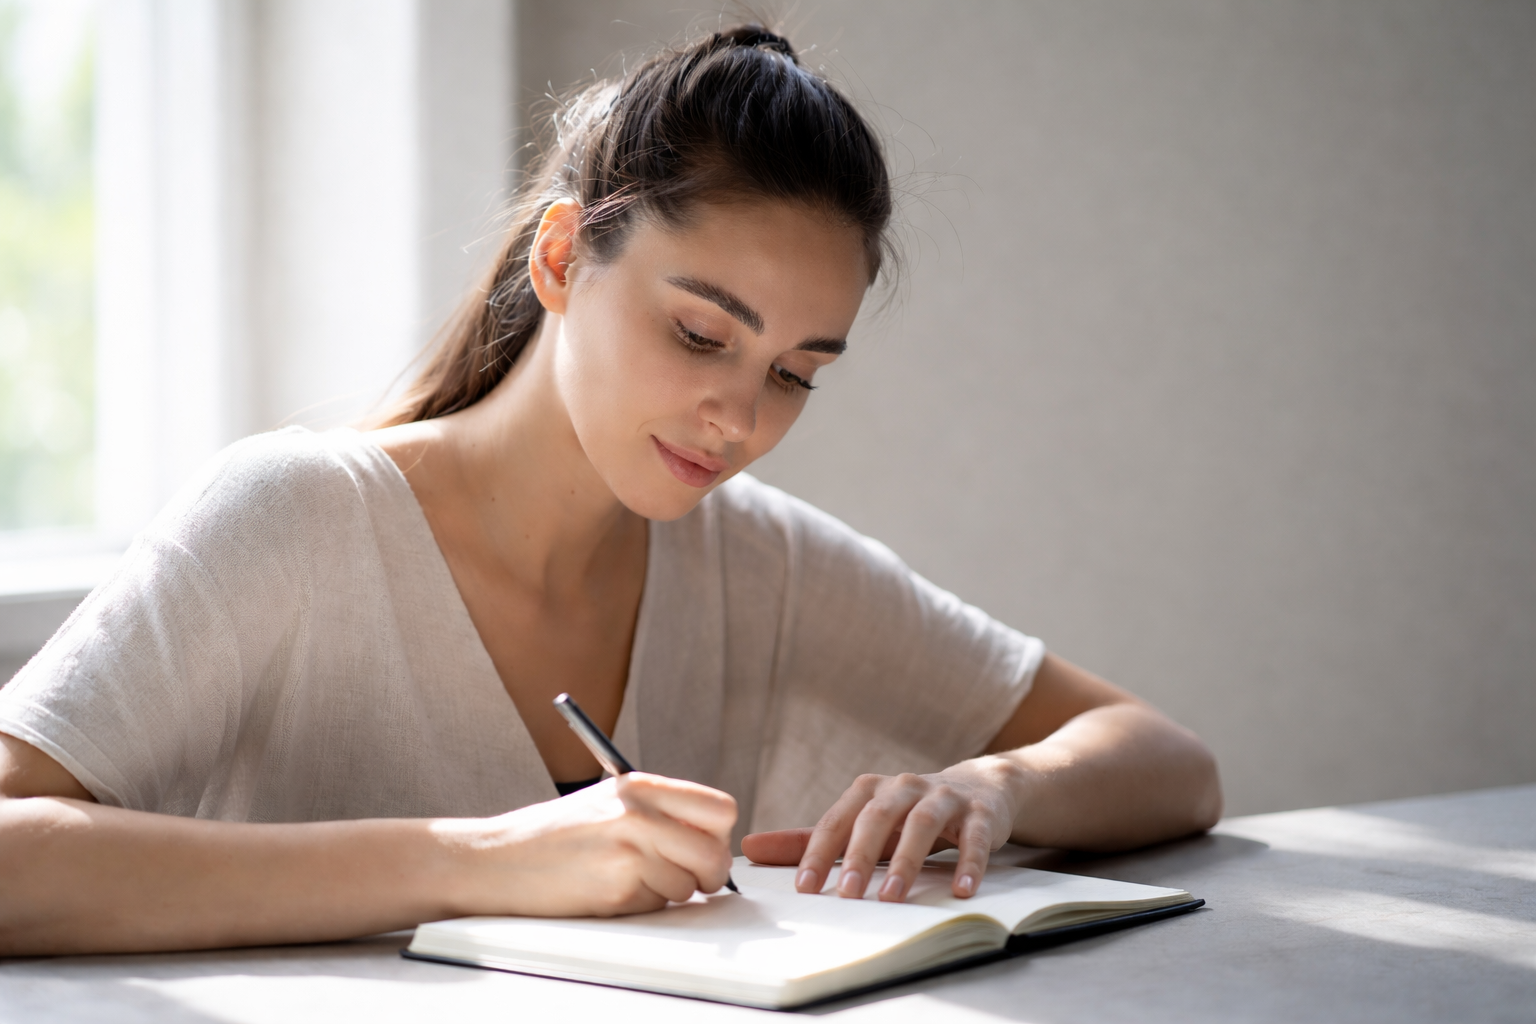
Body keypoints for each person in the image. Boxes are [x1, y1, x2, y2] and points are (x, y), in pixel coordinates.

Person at [0, 26, 1220, 957]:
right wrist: (479, 859)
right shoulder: (296, 517)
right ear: (560, 256)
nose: (740, 420)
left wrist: (988, 785)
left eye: (796, 372)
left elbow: (1168, 761)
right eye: (701, 335)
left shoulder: (758, 567)